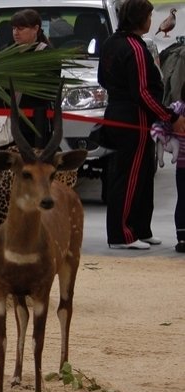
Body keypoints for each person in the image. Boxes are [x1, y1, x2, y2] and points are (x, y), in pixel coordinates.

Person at [98, 0, 185, 250]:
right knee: (129, 175)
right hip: (132, 117)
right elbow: (143, 92)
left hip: (119, 111)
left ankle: (140, 228)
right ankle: (121, 235)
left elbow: (102, 79)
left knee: (144, 175)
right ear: (139, 19)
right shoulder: (134, 47)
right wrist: (171, 116)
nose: (151, 22)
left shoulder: (110, 43)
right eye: (148, 16)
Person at [0, 9, 57, 149]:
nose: (16, 32)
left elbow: (48, 90)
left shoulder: (47, 55)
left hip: (35, 124)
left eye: (21, 28)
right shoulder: (7, 52)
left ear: (36, 29)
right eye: (14, 28)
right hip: (8, 123)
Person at [150, 82, 185, 252]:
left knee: (183, 200)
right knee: (183, 200)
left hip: (182, 166)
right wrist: (163, 138)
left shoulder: (177, 107)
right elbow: (159, 123)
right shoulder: (177, 108)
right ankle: (183, 237)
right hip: (183, 165)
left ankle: (182, 238)